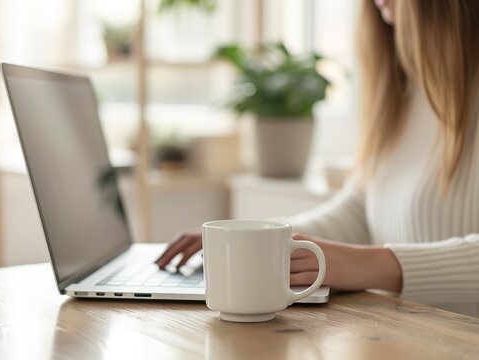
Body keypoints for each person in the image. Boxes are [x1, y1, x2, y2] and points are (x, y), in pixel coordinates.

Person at [155, 0, 479, 317]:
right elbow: (359, 209)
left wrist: (370, 264)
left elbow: (360, 253)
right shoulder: (405, 93)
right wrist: (263, 239)